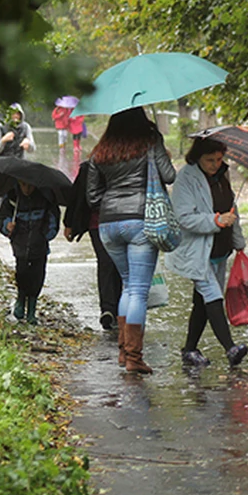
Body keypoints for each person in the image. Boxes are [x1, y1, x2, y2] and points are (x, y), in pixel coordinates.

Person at [86, 106, 176, 374]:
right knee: (137, 289)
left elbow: (92, 197)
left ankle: (125, 353)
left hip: (108, 225)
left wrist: (113, 205)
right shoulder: (149, 141)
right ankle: (134, 357)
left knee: (128, 285)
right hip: (140, 221)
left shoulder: (100, 151)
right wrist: (160, 149)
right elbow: (169, 175)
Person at [168, 137, 248, 368]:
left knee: (202, 300)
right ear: (197, 157)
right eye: (209, 160)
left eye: (219, 159)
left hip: (220, 249)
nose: (215, 164)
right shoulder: (186, 177)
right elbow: (183, 217)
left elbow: (233, 210)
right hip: (197, 250)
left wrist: (237, 239)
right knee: (213, 295)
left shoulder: (222, 176)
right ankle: (230, 348)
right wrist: (215, 220)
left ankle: (190, 349)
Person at [64, 158, 123, 332]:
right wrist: (69, 223)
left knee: (116, 264)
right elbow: (77, 195)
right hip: (98, 224)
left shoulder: (126, 165)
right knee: (106, 262)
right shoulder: (89, 168)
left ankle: (117, 308)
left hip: (121, 222)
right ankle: (108, 309)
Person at [0, 179, 60, 325]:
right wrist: (7, 226)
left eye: (30, 185)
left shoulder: (45, 197)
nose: (27, 189)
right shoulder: (12, 197)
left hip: (39, 244)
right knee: (22, 272)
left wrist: (46, 235)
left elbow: (54, 218)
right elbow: (1, 217)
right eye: (23, 185)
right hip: (20, 244)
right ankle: (21, 298)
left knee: (37, 276)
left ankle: (32, 309)